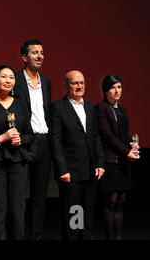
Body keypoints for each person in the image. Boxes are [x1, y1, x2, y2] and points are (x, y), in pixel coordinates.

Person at [0, 65, 34, 240]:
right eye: (4, 77)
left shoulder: (20, 103)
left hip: (18, 161)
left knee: (18, 209)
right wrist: (0, 138)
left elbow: (30, 134)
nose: (8, 80)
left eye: (11, 77)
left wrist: (21, 139)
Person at [50, 70, 105, 240]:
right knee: (73, 213)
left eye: (82, 82)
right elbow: (56, 141)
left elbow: (95, 136)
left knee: (86, 213)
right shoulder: (57, 108)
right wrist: (62, 170)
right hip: (71, 172)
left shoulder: (89, 106)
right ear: (66, 85)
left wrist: (100, 163)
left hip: (90, 171)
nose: (79, 86)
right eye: (75, 83)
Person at [13, 39, 52, 240]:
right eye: (35, 52)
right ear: (24, 58)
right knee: (19, 197)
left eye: (42, 52)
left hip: (43, 143)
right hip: (23, 143)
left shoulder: (46, 82)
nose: (39, 56)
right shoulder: (15, 80)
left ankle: (35, 236)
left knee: (39, 196)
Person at [95, 74, 140, 240]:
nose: (116, 91)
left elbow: (122, 135)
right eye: (113, 87)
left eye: (119, 87)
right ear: (106, 90)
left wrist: (132, 145)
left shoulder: (122, 109)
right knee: (110, 201)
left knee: (121, 201)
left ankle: (118, 237)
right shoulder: (101, 108)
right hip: (111, 161)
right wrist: (125, 151)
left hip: (123, 161)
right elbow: (107, 135)